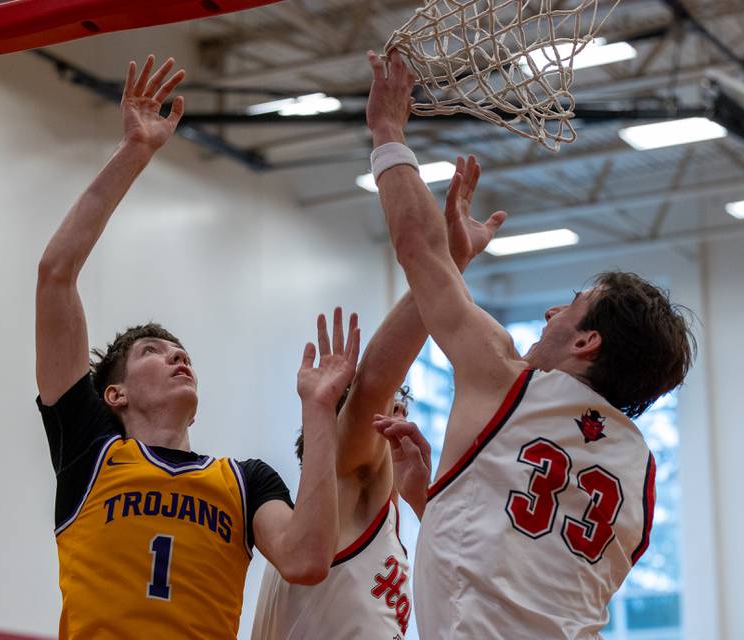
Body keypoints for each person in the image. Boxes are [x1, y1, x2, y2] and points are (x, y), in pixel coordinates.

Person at [366, 50, 696, 639]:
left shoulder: (507, 381)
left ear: (588, 340)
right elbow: (537, 574)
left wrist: (389, 132)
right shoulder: (640, 468)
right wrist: (434, 497)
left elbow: (418, 246)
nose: (550, 313)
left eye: (570, 303)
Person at [35, 54, 360, 639]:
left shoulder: (246, 480)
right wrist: (135, 152)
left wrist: (318, 414)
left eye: (180, 350)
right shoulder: (91, 452)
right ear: (114, 393)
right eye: (153, 352)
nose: (177, 356)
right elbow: (57, 273)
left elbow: (306, 559)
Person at [251, 154, 505, 639]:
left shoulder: (379, 516)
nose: (401, 411)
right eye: (393, 405)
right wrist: (448, 264)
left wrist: (423, 499)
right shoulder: (351, 476)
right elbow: (374, 380)